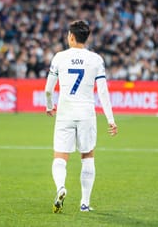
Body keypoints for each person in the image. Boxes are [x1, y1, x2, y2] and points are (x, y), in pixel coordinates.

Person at [44, 20, 118, 213]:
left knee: (60, 157)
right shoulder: (96, 59)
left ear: (71, 36)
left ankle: (61, 187)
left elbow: (48, 90)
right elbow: (103, 92)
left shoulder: (59, 57)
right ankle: (84, 203)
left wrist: (50, 106)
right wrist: (111, 120)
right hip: (86, 113)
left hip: (65, 112)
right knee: (87, 156)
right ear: (87, 37)